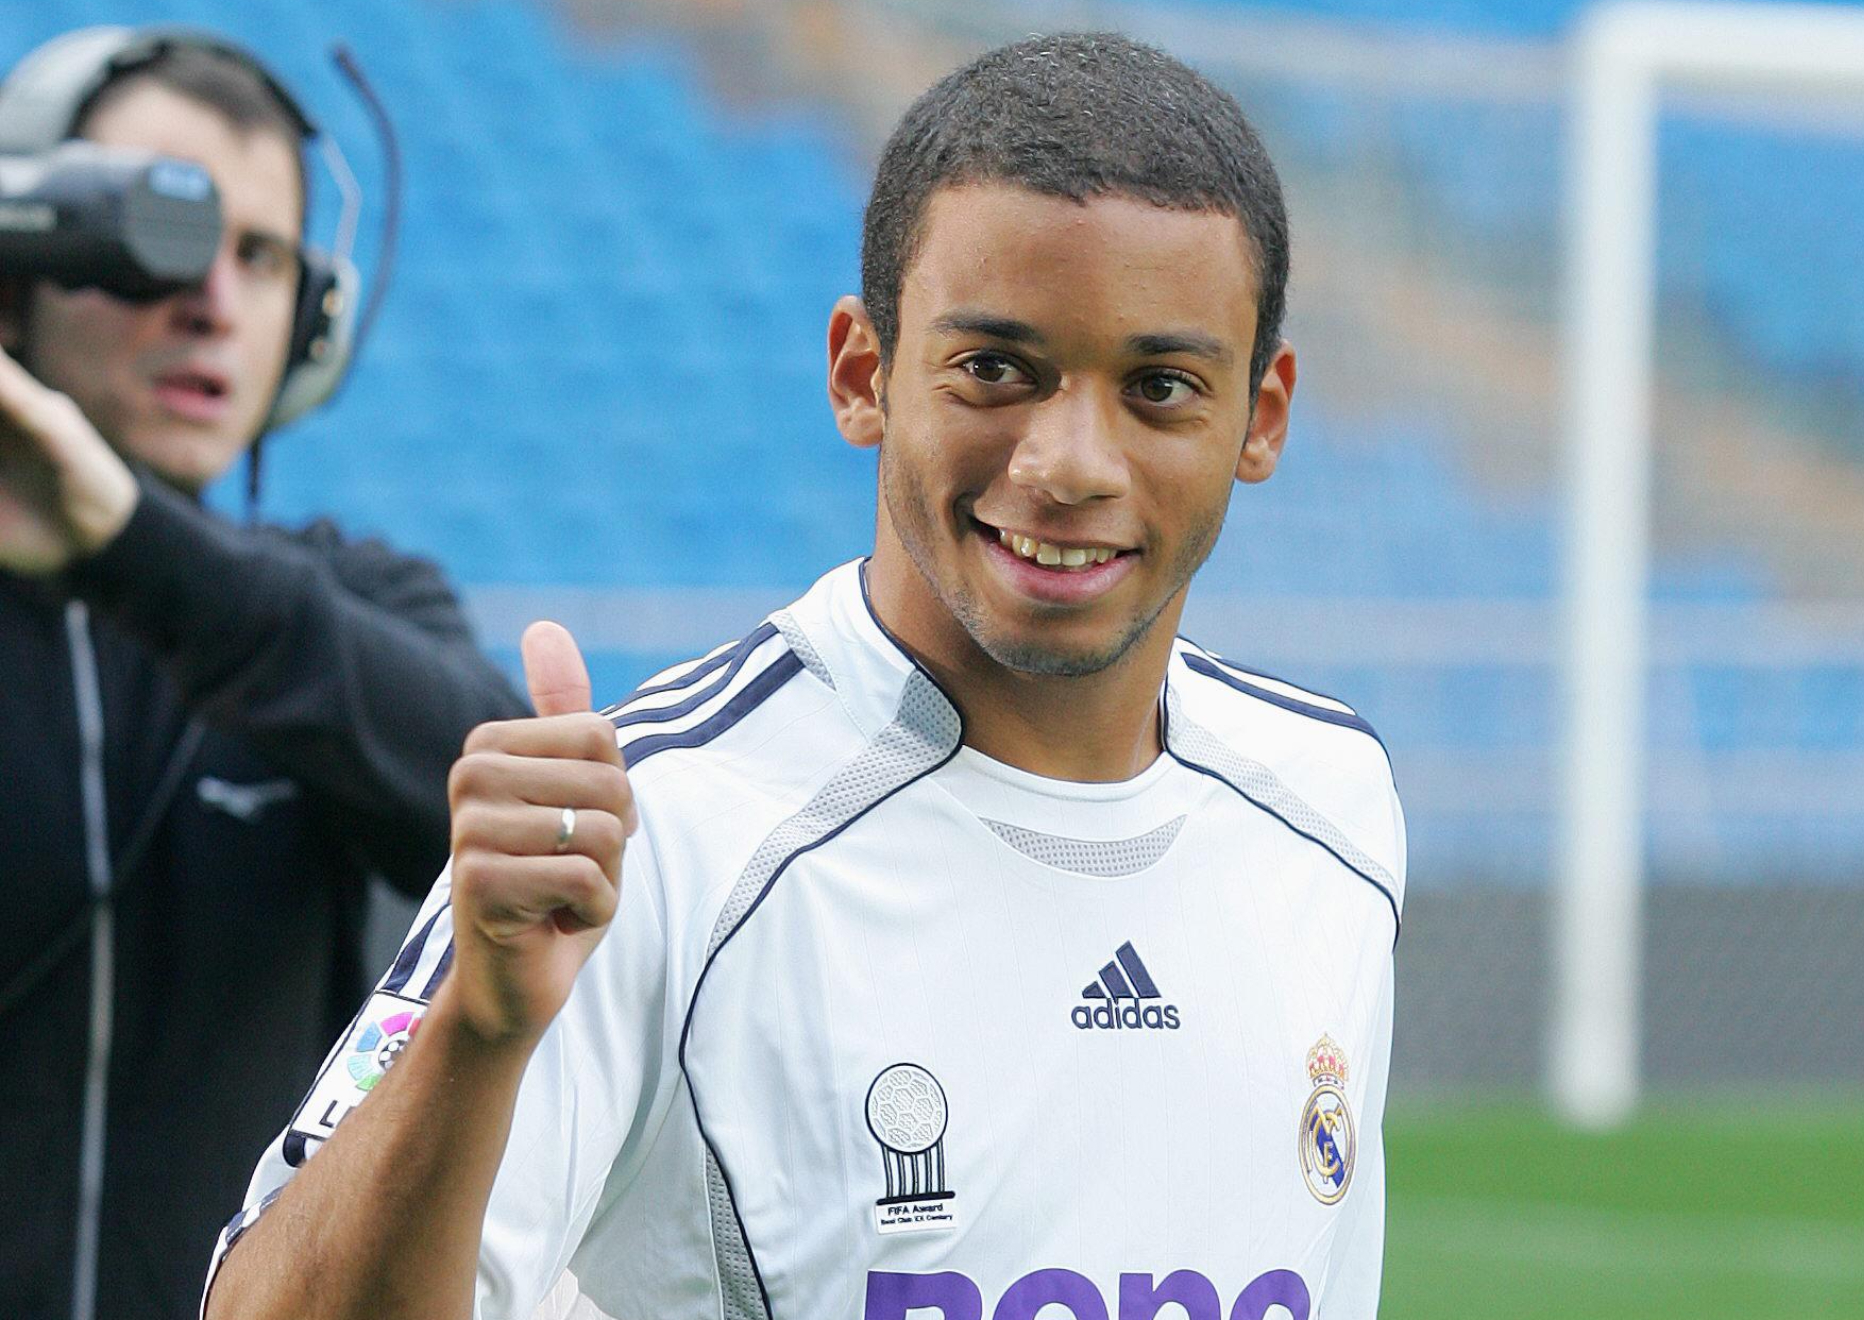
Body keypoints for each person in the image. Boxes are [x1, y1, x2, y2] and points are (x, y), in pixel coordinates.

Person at [206, 31, 1405, 1320]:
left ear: (1261, 416)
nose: (1070, 462)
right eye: (996, 369)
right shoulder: (654, 830)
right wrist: (478, 1040)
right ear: (863, 373)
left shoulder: (1330, 808)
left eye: (1160, 387)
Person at [0, 29, 528, 1320]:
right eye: (155, 236)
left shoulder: (348, 603)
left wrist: (133, 550)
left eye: (265, 257)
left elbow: (489, 801)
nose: (213, 303)